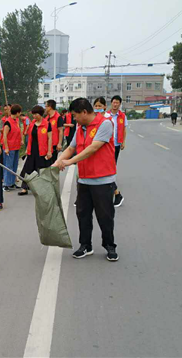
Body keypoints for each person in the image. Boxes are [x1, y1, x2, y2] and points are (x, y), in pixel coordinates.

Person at [52, 98, 119, 262]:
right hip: (84, 180)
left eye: (75, 115)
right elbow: (71, 148)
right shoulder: (80, 128)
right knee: (83, 215)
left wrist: (69, 161)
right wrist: (57, 163)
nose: (74, 119)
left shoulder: (105, 124)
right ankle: (85, 245)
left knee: (105, 216)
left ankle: (110, 246)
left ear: (84, 112)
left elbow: (93, 148)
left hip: (103, 181)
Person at [17, 105, 52, 196]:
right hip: (32, 150)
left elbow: (50, 138)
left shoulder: (47, 124)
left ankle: (42, 188)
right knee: (28, 168)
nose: (34, 116)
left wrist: (49, 151)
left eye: (36, 114)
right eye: (33, 114)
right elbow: (30, 138)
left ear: (40, 114)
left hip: (42, 150)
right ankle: (24, 188)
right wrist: (27, 149)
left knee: (41, 170)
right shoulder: (32, 124)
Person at [106, 95, 127, 207]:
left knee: (110, 168)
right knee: (108, 169)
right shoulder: (106, 115)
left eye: (117, 102)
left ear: (120, 104)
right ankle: (115, 192)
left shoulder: (122, 116)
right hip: (106, 145)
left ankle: (116, 193)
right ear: (111, 103)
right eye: (114, 102)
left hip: (116, 145)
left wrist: (123, 142)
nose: (115, 104)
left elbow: (124, 129)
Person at [2, 104, 23, 191]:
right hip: (9, 148)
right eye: (20, 112)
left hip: (16, 146)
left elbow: (18, 132)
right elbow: (5, 135)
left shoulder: (16, 121)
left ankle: (12, 182)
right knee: (8, 166)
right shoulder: (8, 122)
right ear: (17, 112)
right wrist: (6, 147)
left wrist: (21, 140)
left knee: (14, 165)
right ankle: (6, 184)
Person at [45, 100, 64, 165]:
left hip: (54, 144)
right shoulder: (46, 118)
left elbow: (60, 131)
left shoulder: (58, 117)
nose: (45, 108)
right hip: (46, 144)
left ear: (50, 107)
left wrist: (59, 143)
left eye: (46, 106)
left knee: (52, 164)